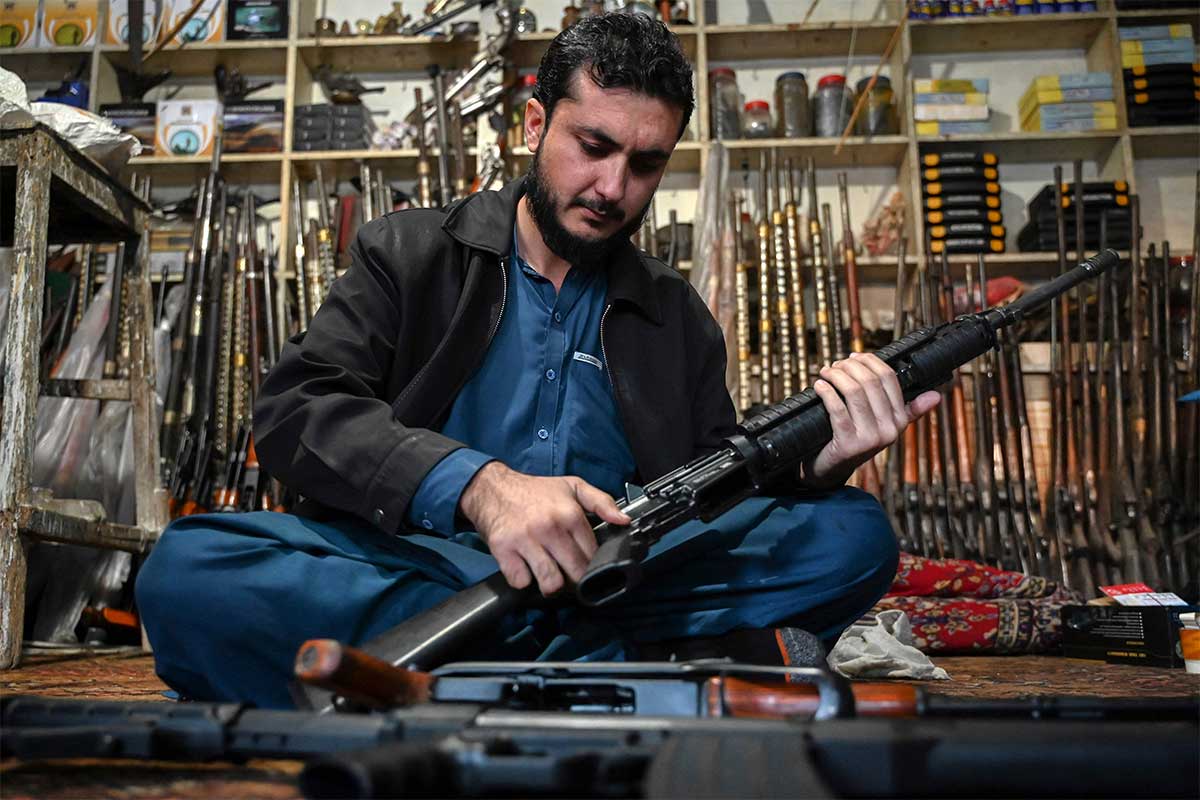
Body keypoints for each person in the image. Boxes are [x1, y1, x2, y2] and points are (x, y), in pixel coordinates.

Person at [136, 13, 940, 709]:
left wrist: (820, 463)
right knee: (186, 570)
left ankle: (448, 678)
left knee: (853, 534)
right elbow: (296, 414)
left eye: (647, 163)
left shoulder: (678, 315)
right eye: (592, 146)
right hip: (423, 565)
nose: (612, 187)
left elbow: (717, 495)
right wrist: (481, 489)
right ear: (533, 126)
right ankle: (650, 673)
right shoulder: (409, 252)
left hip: (618, 576)